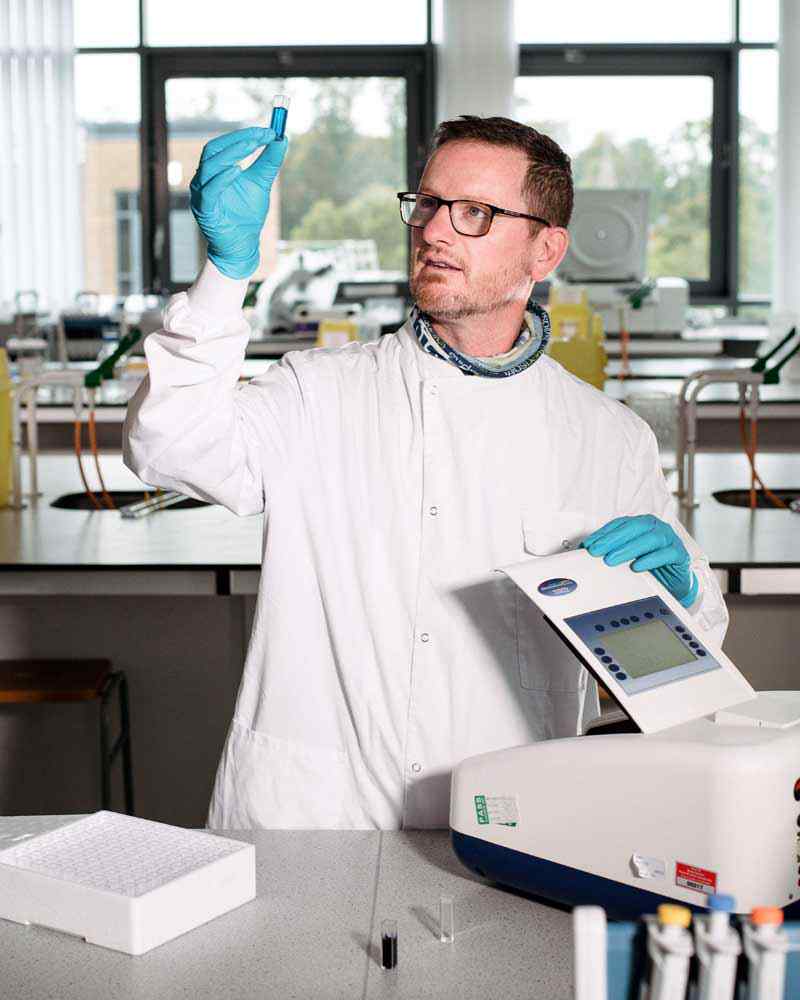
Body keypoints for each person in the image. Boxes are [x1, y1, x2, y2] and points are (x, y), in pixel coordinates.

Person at [123, 116, 728, 830]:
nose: (435, 230)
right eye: (429, 204)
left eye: (474, 213)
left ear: (546, 251)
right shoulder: (319, 392)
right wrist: (225, 274)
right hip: (313, 819)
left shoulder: (608, 439)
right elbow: (167, 443)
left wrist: (680, 592)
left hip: (509, 821)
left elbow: (672, 668)